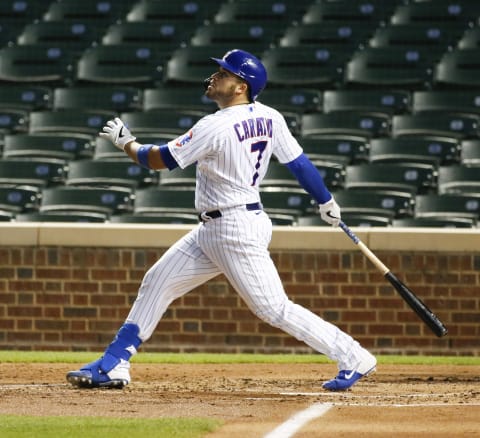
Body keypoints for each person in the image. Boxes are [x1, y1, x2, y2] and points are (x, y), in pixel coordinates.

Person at [66, 49, 376, 392]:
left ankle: (352, 355)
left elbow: (158, 160)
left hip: (234, 228)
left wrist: (127, 143)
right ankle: (114, 363)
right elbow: (300, 164)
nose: (215, 77)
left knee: (272, 308)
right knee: (157, 281)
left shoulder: (215, 125)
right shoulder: (271, 117)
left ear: (241, 86)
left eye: (224, 74)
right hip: (220, 226)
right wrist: (325, 201)